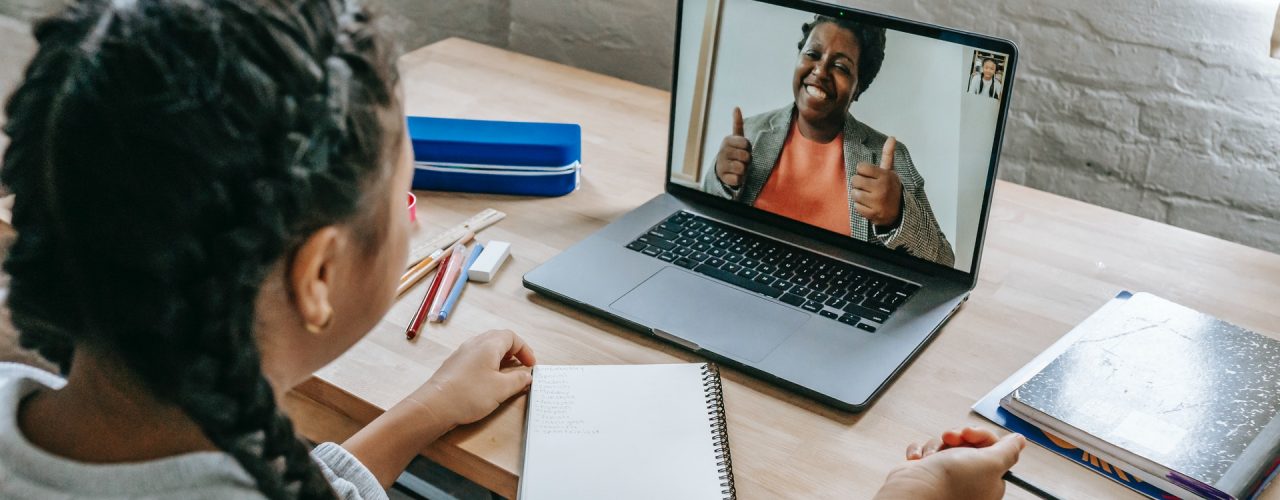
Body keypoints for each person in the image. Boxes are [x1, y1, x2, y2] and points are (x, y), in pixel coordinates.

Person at [0, 0, 1019, 498]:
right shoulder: (746, 129)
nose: (414, 204)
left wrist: (417, 414)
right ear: (315, 274)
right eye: (405, 184)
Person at [703, 15, 955, 267]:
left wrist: (897, 216)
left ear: (858, 88)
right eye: (812, 54)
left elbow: (944, 263)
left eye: (841, 67)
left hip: (837, 300)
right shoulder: (750, 133)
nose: (820, 71)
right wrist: (719, 180)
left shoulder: (888, 157)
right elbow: (705, 224)